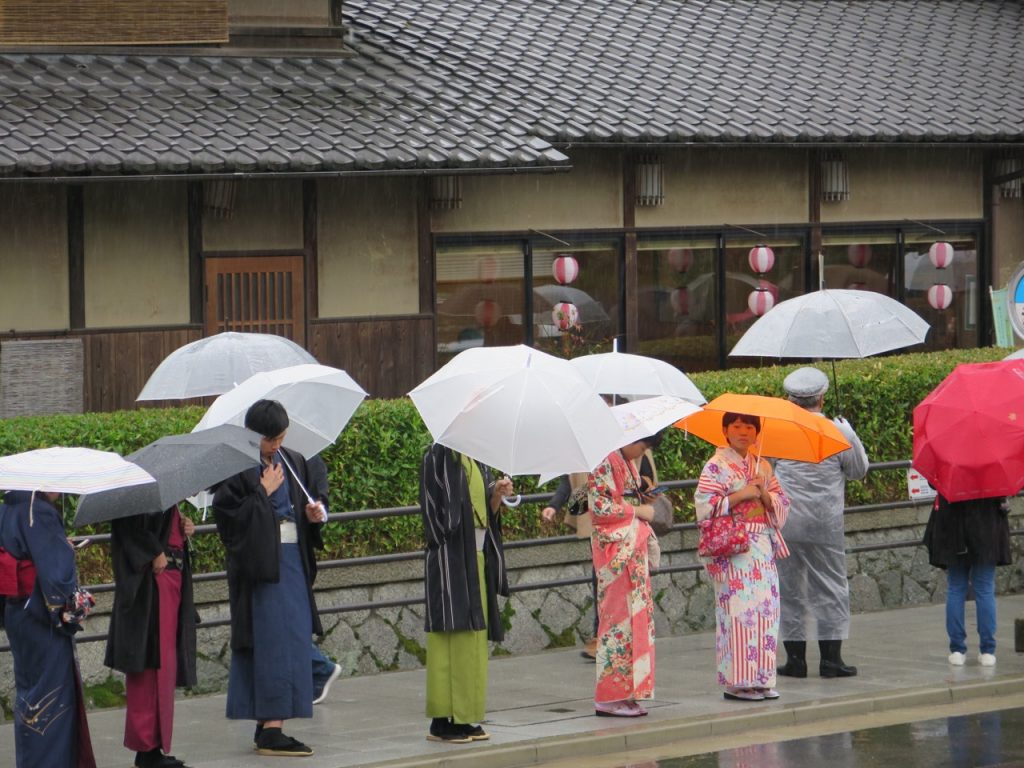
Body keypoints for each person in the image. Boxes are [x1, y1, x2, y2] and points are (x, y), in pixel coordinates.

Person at [213, 399, 328, 757]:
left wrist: (315, 513)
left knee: (293, 636)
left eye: (280, 438)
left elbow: (315, 498)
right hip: (261, 568)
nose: (276, 446)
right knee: (272, 640)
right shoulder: (237, 468)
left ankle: (270, 723)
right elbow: (228, 519)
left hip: (292, 559)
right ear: (254, 436)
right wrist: (262, 492)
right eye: (270, 440)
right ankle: (272, 726)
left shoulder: (293, 462)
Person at [774, 367, 869, 679]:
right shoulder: (838, 431)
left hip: (786, 522)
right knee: (830, 587)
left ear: (790, 399)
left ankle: (796, 662)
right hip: (825, 524)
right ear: (822, 397)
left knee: (789, 590)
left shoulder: (780, 430)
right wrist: (850, 433)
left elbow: (767, 469)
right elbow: (857, 470)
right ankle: (831, 661)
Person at [420, 443, 514, 743]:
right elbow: (432, 510)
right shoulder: (437, 454)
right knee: (450, 635)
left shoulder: (478, 456)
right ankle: (442, 720)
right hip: (450, 557)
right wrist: (448, 542)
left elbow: (486, 512)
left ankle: (466, 716)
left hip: (477, 556)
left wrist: (496, 495)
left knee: (473, 639)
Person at [695, 412, 790, 702]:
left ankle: (762, 678)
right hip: (733, 548)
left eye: (749, 426)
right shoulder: (716, 466)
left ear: (757, 433)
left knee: (766, 611)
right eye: (736, 426)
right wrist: (741, 494)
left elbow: (782, 504)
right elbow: (703, 506)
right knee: (738, 613)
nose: (743, 432)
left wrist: (764, 496)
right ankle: (738, 681)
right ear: (725, 430)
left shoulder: (763, 466)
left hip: (761, 546)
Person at [0, 490, 97, 768]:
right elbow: (56, 574)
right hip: (41, 612)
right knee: (51, 699)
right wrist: (68, 612)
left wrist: (56, 546)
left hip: (18, 610)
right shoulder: (38, 512)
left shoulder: (7, 507)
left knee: (30, 696)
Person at [105, 505, 198, 768]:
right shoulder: (140, 491)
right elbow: (127, 524)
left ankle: (155, 746)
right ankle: (146, 748)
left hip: (171, 581)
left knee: (164, 666)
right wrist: (154, 550)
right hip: (152, 583)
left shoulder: (161, 490)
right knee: (149, 666)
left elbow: (163, 527)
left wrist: (183, 526)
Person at [587, 433, 668, 717]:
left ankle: (629, 692)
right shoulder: (605, 460)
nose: (640, 453)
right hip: (617, 554)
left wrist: (641, 500)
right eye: (641, 446)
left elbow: (618, 501)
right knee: (617, 625)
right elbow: (599, 507)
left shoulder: (624, 461)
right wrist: (638, 509)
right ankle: (609, 697)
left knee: (637, 623)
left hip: (631, 551)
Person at [923, 492, 1011, 667]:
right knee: (985, 589)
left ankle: (957, 650)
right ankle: (987, 650)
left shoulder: (951, 465)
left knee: (956, 588)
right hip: (987, 526)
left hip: (954, 528)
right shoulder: (991, 465)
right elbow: (1003, 491)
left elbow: (935, 483)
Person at [540, 472, 598, 660]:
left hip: (621, 521)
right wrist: (553, 505)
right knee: (600, 578)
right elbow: (570, 481)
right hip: (598, 524)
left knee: (609, 582)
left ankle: (610, 638)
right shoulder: (582, 455)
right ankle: (601, 637)